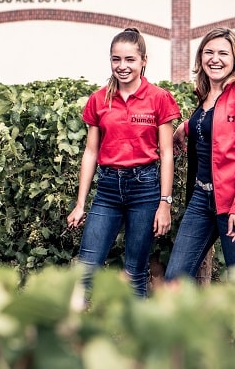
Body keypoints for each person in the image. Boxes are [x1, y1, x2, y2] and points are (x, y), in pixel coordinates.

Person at [66, 28, 181, 298]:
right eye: (116, 59)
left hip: (145, 188)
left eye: (130, 59)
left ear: (144, 61)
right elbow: (91, 153)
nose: (122, 66)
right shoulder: (99, 99)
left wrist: (165, 202)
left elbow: (166, 153)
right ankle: (73, 333)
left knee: (135, 272)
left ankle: (135, 337)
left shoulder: (159, 98)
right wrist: (81, 203)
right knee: (86, 269)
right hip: (107, 189)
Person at [165, 27, 235, 281]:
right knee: (175, 281)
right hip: (202, 198)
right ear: (200, 57)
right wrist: (184, 127)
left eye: (223, 53)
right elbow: (212, 124)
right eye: (208, 52)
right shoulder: (206, 91)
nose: (215, 58)